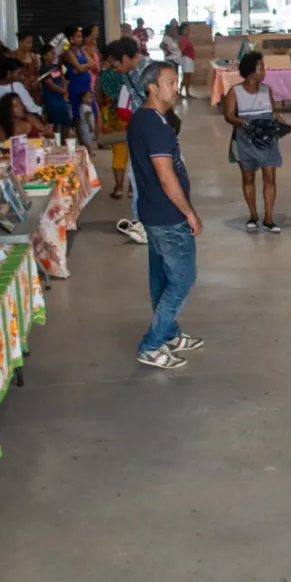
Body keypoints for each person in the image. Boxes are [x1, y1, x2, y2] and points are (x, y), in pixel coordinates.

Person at [128, 60, 204, 370]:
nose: (176, 88)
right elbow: (165, 175)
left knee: (161, 276)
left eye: (176, 82)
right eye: (170, 83)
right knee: (183, 279)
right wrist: (189, 213)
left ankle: (170, 332)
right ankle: (152, 344)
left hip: (153, 212)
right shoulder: (157, 127)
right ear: (152, 88)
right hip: (168, 215)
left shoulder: (143, 120)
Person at [222, 52, 288, 233]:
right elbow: (228, 115)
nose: (264, 71)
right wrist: (243, 123)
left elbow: (273, 112)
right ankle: (253, 215)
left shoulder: (267, 90)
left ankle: (269, 218)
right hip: (245, 140)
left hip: (267, 139)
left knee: (270, 177)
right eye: (261, 67)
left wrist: (283, 125)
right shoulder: (235, 91)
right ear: (251, 71)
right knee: (248, 178)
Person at [99, 38, 147, 244]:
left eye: (116, 63)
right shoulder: (126, 74)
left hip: (150, 132)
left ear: (126, 58)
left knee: (145, 177)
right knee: (136, 176)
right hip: (138, 131)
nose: (114, 67)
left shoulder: (147, 72)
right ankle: (139, 221)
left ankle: (145, 223)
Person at [62, 25, 95, 134]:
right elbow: (80, 68)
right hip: (76, 86)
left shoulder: (82, 50)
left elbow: (92, 64)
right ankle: (83, 142)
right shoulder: (69, 52)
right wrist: (84, 67)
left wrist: (83, 67)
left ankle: (88, 141)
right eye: (78, 37)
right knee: (78, 116)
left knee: (91, 111)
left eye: (81, 37)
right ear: (71, 38)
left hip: (86, 85)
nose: (80, 39)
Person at [39, 46, 72, 136]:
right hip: (51, 100)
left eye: (54, 53)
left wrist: (65, 89)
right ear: (44, 56)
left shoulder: (56, 67)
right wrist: (63, 91)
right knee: (54, 124)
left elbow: (63, 78)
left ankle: (64, 142)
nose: (54, 55)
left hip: (60, 99)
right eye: (51, 53)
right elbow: (50, 84)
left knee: (66, 122)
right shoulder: (43, 69)